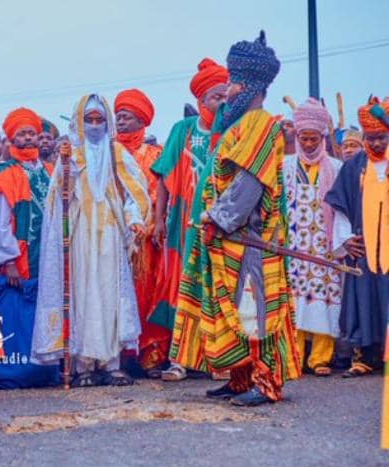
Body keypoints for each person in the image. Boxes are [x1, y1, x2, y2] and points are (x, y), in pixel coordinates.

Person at [174, 32, 301, 406]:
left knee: (256, 308)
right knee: (234, 307)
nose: (227, 90)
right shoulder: (238, 124)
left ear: (246, 84)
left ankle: (267, 383)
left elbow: (248, 185)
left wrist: (217, 219)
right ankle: (240, 378)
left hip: (251, 237)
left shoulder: (261, 124)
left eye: (231, 81)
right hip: (231, 236)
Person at [32, 94, 151, 387]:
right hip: (80, 236)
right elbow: (56, 201)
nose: (95, 125)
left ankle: (111, 364)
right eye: (90, 120)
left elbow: (134, 191)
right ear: (80, 123)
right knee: (82, 294)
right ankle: (83, 366)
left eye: (100, 120)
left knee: (110, 294)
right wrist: (66, 176)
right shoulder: (69, 155)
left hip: (111, 234)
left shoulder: (118, 153)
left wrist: (135, 220)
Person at [150, 58, 229, 381]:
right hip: (184, 226)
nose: (223, 103)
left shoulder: (234, 132)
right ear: (201, 101)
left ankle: (219, 359)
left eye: (227, 96)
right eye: (216, 97)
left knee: (218, 287)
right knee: (181, 288)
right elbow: (163, 177)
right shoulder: (182, 130)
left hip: (223, 225)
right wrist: (158, 220)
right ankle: (179, 359)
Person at [0, 108, 59, 389]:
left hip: (48, 256)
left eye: (31, 133)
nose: (28, 138)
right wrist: (9, 259)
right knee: (18, 312)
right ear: (11, 138)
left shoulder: (50, 171)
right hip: (19, 259)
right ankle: (18, 368)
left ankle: (47, 367)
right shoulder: (6, 174)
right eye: (22, 134)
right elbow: (1, 221)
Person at [325, 97, 389, 378]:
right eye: (371, 138)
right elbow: (341, 208)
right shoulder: (353, 168)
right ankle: (366, 357)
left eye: (382, 138)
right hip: (363, 246)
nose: (376, 144)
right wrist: (346, 239)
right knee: (365, 300)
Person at [283, 98, 343, 377]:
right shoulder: (283, 166)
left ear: (323, 137)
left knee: (324, 298)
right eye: (303, 138)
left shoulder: (336, 167)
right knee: (293, 301)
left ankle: (320, 358)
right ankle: (293, 357)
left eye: (313, 139)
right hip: (291, 244)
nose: (308, 144)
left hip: (324, 246)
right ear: (296, 136)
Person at [114, 88, 171, 378]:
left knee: (149, 295)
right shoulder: (108, 153)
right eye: (118, 117)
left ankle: (152, 354)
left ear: (141, 119)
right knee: (119, 297)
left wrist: (150, 225)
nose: (120, 121)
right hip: (116, 237)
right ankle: (122, 358)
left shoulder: (155, 155)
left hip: (148, 239)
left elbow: (160, 192)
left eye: (125, 116)